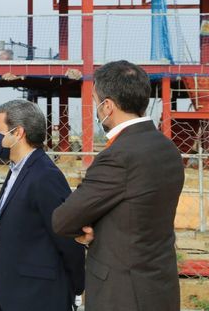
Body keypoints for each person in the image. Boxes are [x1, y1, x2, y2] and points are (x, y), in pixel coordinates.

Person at [53, 61, 184, 311]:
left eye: (95, 101)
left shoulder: (118, 156)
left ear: (108, 105)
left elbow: (63, 218)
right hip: (159, 286)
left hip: (121, 292)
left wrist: (86, 231)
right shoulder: (167, 148)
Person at [0, 99, 84, 311]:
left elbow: (66, 236)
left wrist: (76, 286)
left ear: (18, 133)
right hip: (15, 290)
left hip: (38, 294)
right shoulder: (17, 170)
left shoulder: (44, 176)